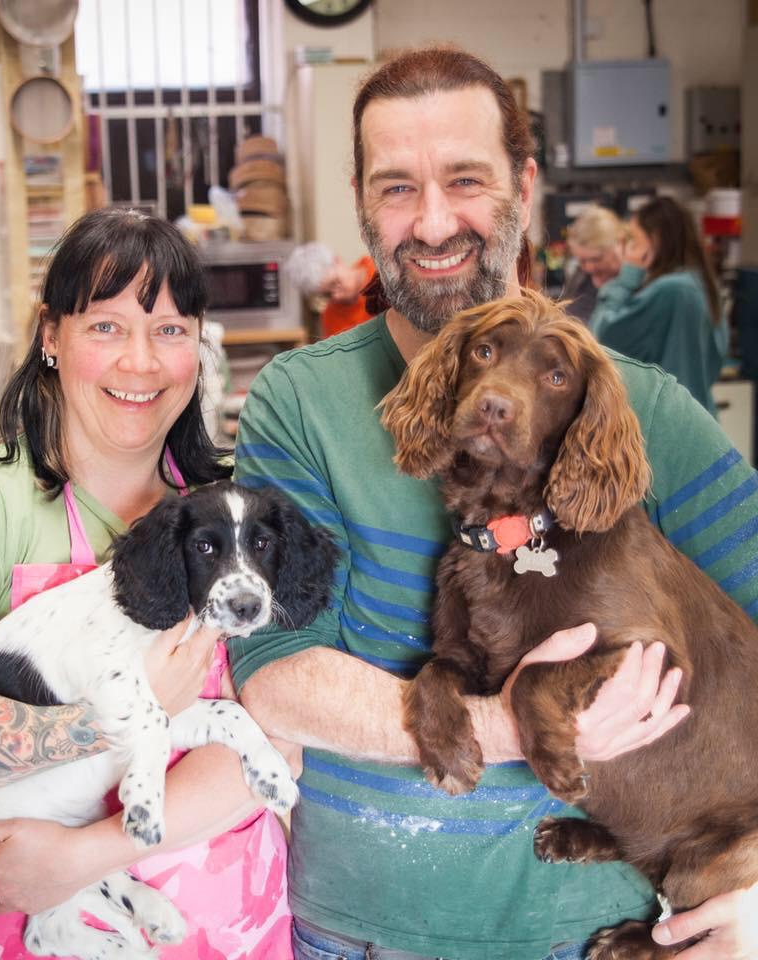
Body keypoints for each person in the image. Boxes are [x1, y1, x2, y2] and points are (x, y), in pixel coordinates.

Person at [230, 46, 758, 960]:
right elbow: (273, 669)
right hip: (361, 933)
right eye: (397, 188)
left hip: (604, 930)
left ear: (522, 182)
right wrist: (506, 724)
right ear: (361, 198)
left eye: (465, 179)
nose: (433, 222)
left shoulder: (640, 408)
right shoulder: (299, 401)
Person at [0, 209, 298, 959]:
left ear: (199, 347)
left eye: (171, 329)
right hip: (20, 918)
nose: (141, 363)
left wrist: (89, 854)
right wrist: (117, 714)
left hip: (223, 923)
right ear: (51, 336)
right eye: (107, 327)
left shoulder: (237, 513)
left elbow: (284, 739)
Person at [590, 195, 728, 413]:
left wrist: (626, 279)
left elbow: (603, 339)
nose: (629, 251)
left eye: (634, 241)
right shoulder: (702, 285)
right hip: (701, 418)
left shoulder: (671, 290)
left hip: (671, 427)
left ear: (655, 240)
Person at [286, 242, 377, 338]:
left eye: (335, 283)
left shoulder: (381, 273)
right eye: (328, 294)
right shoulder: (330, 318)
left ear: (337, 260)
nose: (337, 296)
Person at [563, 204, 626, 325]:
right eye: (582, 260)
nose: (589, 268)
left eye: (597, 259)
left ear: (620, 244)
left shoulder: (636, 284)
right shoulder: (581, 276)